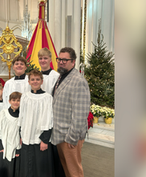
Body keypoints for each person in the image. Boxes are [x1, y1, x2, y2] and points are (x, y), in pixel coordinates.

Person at [51, 47, 90, 177]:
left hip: (69, 136)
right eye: (59, 59)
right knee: (66, 169)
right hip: (60, 133)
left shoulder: (78, 81)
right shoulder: (62, 76)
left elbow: (80, 114)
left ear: (73, 62)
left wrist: (72, 137)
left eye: (65, 60)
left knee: (74, 171)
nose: (61, 62)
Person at [18, 70, 55, 177]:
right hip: (26, 135)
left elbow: (49, 118)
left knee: (40, 166)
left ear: (42, 81)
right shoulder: (25, 96)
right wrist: (21, 134)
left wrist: (45, 139)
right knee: (27, 164)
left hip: (40, 137)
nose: (35, 81)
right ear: (28, 82)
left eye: (37, 79)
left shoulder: (47, 97)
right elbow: (22, 116)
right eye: (32, 79)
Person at [0, 92, 22, 177]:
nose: (16, 102)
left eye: (18, 100)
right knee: (3, 166)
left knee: (15, 167)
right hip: (4, 144)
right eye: (13, 100)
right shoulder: (4, 113)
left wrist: (19, 149)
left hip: (16, 145)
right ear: (9, 101)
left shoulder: (22, 115)